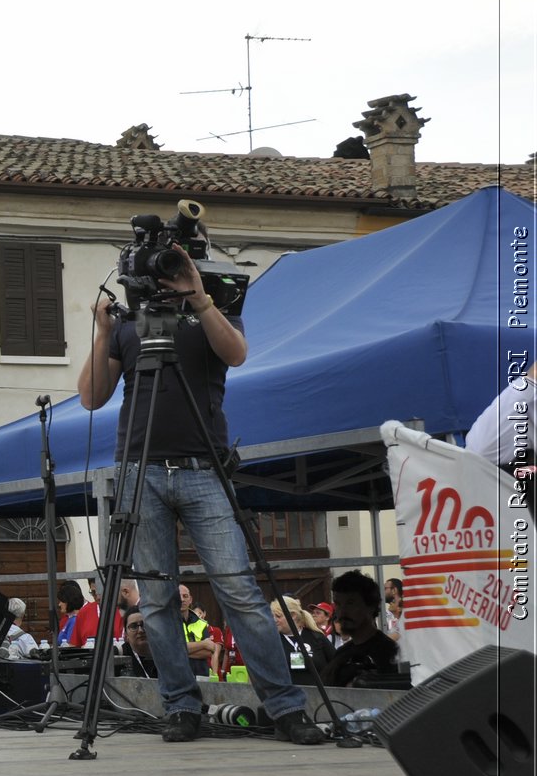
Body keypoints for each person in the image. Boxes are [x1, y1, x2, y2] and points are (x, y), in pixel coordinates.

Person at [77, 255, 324, 745]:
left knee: (238, 590)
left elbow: (236, 355)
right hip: (139, 468)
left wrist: (198, 295)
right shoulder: (130, 325)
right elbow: (90, 397)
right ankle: (181, 707)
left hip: (203, 468)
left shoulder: (216, 309)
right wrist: (103, 331)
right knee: (155, 598)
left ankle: (285, 707)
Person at [321, 570, 401, 687]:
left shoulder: (390, 653)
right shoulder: (341, 653)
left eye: (350, 603)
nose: (342, 612)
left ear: (371, 606)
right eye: (338, 604)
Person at [272, 597, 334, 686]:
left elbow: (335, 664)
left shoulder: (316, 637)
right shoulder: (272, 641)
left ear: (293, 616)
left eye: (278, 616)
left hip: (319, 696)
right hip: (285, 696)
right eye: (272, 616)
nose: (274, 620)